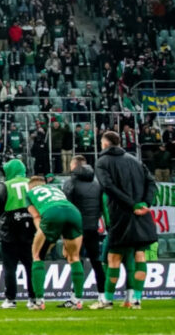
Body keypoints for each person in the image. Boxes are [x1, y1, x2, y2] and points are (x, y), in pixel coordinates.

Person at [92, 131, 158, 310]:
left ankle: (107, 300)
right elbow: (151, 182)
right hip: (142, 214)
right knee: (140, 255)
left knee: (113, 257)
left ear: (105, 144)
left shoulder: (102, 161)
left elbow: (107, 186)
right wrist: (145, 204)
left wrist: (131, 205)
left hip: (121, 215)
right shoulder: (135, 160)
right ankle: (136, 300)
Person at [26, 175, 85, 310]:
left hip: (51, 213)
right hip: (74, 213)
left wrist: (42, 234)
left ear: (31, 186)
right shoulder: (57, 190)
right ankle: (77, 300)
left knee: (37, 256)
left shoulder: (30, 193)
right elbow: (63, 211)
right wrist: (64, 240)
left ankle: (39, 301)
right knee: (74, 257)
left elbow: (36, 216)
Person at [0, 158, 36, 309]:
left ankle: (10, 299)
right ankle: (33, 298)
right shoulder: (31, 184)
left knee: (10, 267)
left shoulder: (6, 185)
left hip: (10, 228)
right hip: (30, 227)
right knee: (31, 266)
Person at [63, 155, 105, 306]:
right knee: (96, 261)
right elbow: (102, 207)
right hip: (92, 227)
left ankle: (76, 298)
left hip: (76, 228)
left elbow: (66, 205)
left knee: (75, 260)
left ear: (74, 166)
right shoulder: (97, 184)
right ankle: (103, 296)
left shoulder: (71, 182)